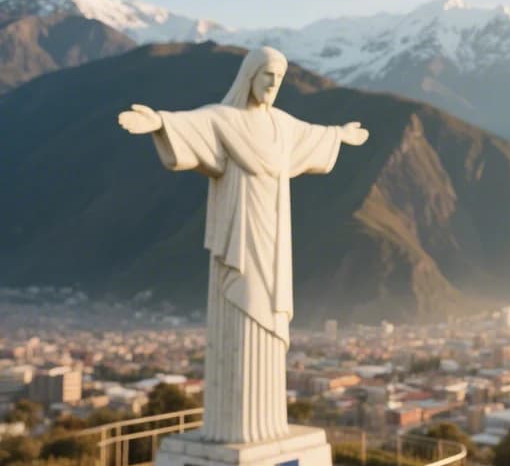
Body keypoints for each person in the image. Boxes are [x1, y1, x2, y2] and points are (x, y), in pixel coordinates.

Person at [117, 46, 369, 443]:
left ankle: (268, 427)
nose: (273, 84)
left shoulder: (283, 127)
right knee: (241, 308)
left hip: (274, 237)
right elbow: (192, 125)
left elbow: (312, 137)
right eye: (267, 75)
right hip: (239, 234)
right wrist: (160, 123)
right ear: (249, 76)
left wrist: (339, 135)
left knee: (269, 316)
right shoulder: (224, 119)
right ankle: (235, 428)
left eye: (279, 78)